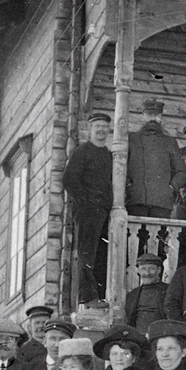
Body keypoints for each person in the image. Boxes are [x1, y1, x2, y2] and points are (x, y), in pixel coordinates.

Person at [63, 112, 113, 302]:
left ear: (108, 130)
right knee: (87, 254)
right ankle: (87, 297)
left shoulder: (108, 154)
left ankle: (100, 296)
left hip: (105, 212)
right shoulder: (83, 151)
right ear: (90, 130)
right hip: (88, 212)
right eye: (97, 126)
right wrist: (87, 200)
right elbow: (69, 179)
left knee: (102, 254)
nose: (101, 130)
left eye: (104, 126)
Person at [126, 99, 186, 219]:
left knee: (159, 237)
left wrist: (170, 188)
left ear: (161, 118)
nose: (153, 119)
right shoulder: (132, 139)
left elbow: (182, 172)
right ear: (142, 117)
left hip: (162, 203)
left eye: (157, 116)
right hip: (136, 199)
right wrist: (129, 185)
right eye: (149, 115)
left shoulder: (169, 142)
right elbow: (120, 166)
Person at [123, 253, 168, 335]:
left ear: (159, 270)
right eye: (143, 269)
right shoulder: (132, 295)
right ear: (138, 271)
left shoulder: (168, 291)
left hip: (161, 337)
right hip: (138, 339)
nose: (147, 273)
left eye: (152, 269)